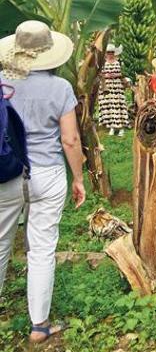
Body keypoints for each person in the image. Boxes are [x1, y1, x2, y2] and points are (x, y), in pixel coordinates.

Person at [0, 21, 86, 344]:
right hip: (48, 174)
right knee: (42, 249)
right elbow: (70, 139)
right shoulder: (60, 88)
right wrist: (78, 178)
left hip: (7, 172)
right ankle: (39, 326)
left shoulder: (2, 82)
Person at [98, 44, 130, 136]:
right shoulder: (103, 63)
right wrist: (106, 76)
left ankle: (121, 128)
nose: (110, 54)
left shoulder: (119, 62)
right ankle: (111, 127)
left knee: (119, 106)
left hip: (117, 87)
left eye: (112, 52)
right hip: (107, 87)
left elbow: (123, 74)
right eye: (108, 52)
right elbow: (100, 74)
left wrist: (116, 75)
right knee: (109, 107)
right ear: (106, 53)